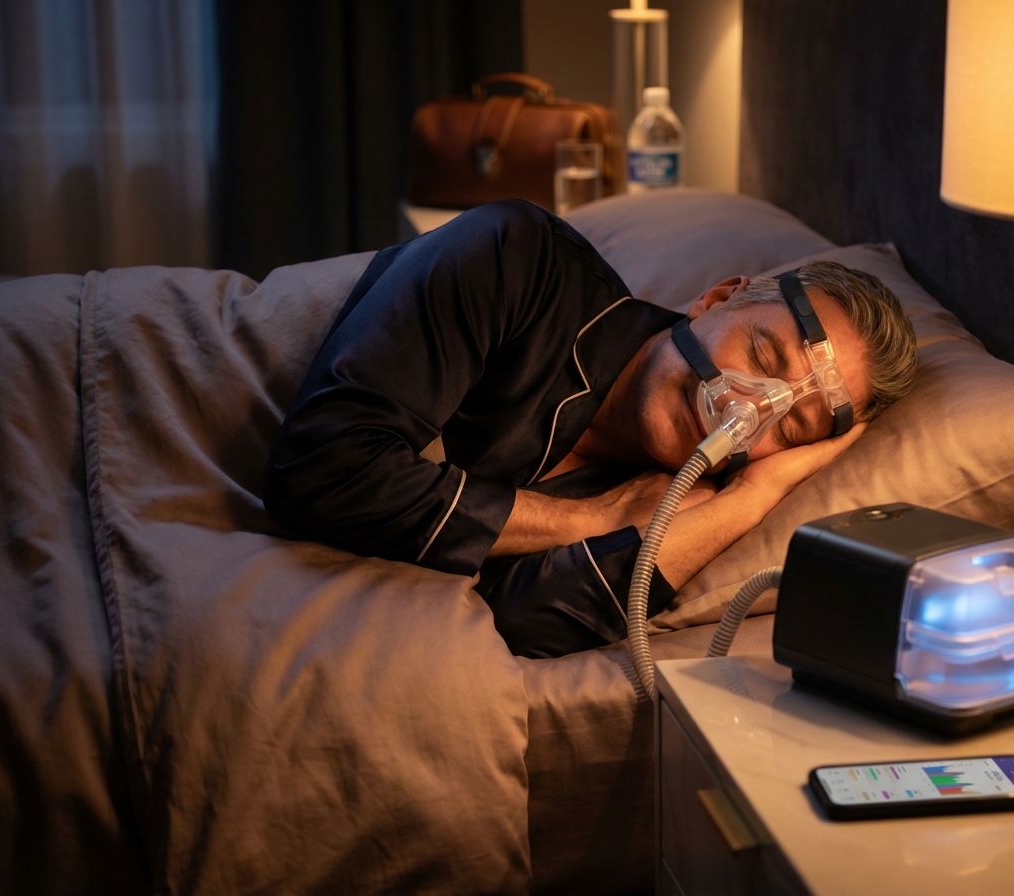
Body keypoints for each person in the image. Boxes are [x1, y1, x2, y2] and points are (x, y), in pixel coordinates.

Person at [264, 200, 916, 658]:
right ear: (716, 300)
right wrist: (590, 521)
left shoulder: (669, 496)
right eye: (762, 357)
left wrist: (747, 502)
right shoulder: (516, 258)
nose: (745, 408)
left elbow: (517, 622)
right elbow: (321, 469)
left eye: (793, 424)